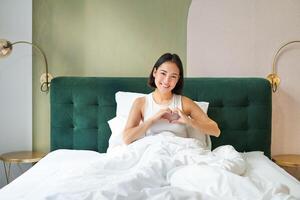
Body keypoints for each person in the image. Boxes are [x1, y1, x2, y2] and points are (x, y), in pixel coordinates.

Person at [123, 53, 220, 145]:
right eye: (163, 73)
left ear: (178, 79)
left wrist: (189, 121)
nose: (166, 81)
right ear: (154, 72)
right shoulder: (141, 103)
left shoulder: (185, 103)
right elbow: (127, 138)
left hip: (180, 151)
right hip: (152, 151)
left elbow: (216, 131)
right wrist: (152, 119)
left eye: (173, 76)